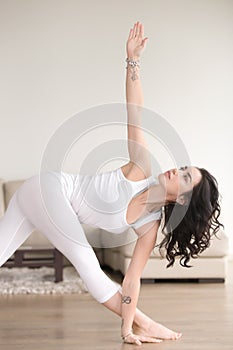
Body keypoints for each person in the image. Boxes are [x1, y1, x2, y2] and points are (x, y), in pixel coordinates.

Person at [0, 21, 223, 346]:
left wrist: (125, 329)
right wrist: (133, 61)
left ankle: (141, 325)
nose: (177, 170)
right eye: (184, 167)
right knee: (88, 263)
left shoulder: (148, 227)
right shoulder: (141, 167)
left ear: (184, 201)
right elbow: (136, 112)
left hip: (30, 202)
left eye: (186, 178)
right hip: (48, 189)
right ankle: (148, 324)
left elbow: (131, 281)